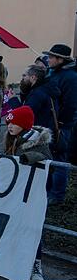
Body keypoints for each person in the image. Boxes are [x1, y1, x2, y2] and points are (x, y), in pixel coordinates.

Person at [1, 106, 52, 280]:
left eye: (14, 122)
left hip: (32, 194)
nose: (10, 125)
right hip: (16, 192)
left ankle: (35, 264)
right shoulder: (12, 140)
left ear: (24, 124)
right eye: (9, 122)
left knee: (32, 227)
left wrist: (33, 157)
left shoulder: (38, 142)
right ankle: (12, 260)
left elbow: (46, 159)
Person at [43, 44, 77, 204]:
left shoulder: (70, 77)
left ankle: (57, 195)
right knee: (50, 158)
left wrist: (61, 122)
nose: (48, 60)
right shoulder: (53, 74)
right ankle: (48, 190)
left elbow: (70, 103)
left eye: (51, 57)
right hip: (50, 122)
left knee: (60, 159)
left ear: (60, 59)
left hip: (61, 125)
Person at [20, 65, 59, 133]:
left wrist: (13, 99)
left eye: (24, 75)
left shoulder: (37, 94)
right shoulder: (45, 89)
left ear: (33, 77)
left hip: (39, 134)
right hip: (46, 131)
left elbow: (24, 114)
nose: (22, 78)